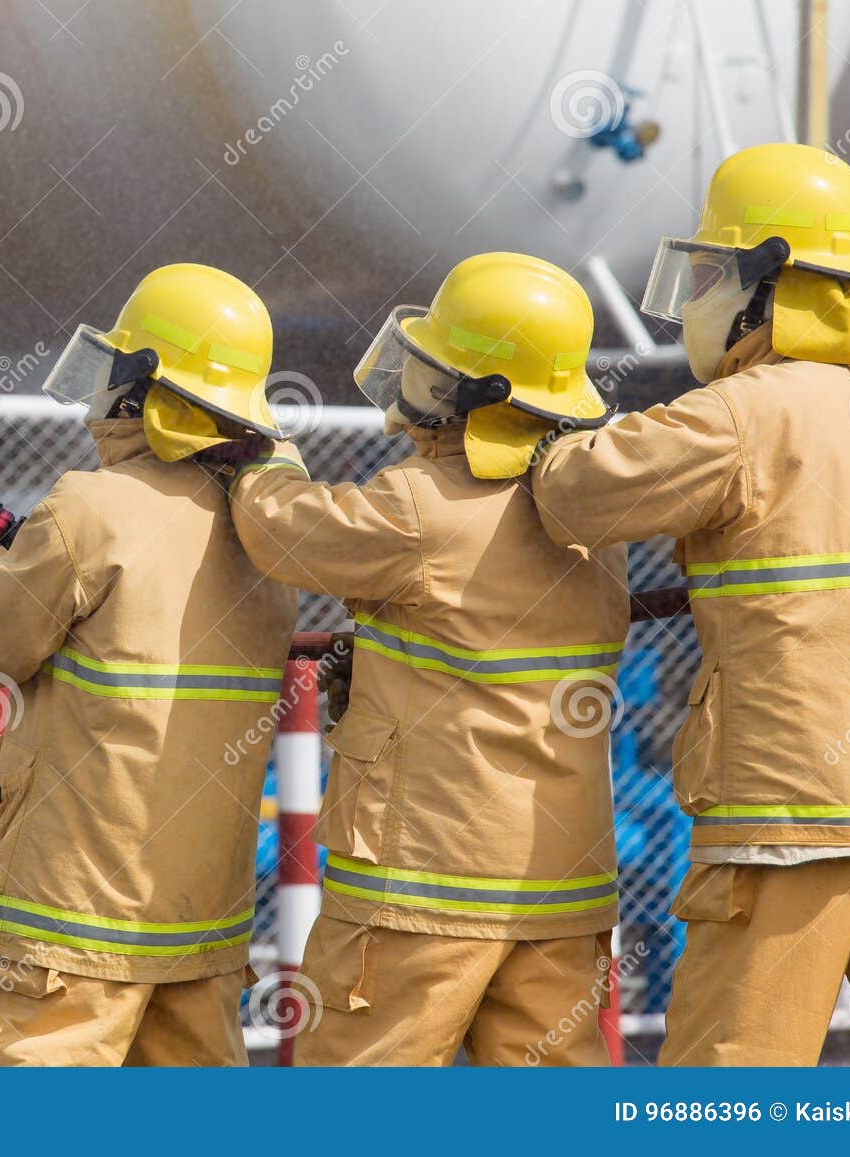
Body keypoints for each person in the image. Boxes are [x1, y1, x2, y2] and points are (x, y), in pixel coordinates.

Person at [530, 142, 850, 1066]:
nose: (699, 296)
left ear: (769, 283)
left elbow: (578, 496)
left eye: (712, 272)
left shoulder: (743, 412)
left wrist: (535, 434)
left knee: (733, 1081)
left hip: (784, 811)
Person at [231, 251, 629, 1065]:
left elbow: (285, 534)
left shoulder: (421, 505)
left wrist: (261, 460)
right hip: (560, 888)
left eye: (433, 373)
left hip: (420, 888)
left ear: (470, 396)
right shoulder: (597, 527)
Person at [0, 263, 299, 1066]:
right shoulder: (265, 532)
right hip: (201, 923)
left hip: (71, 920)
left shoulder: (89, 506)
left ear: (142, 387)